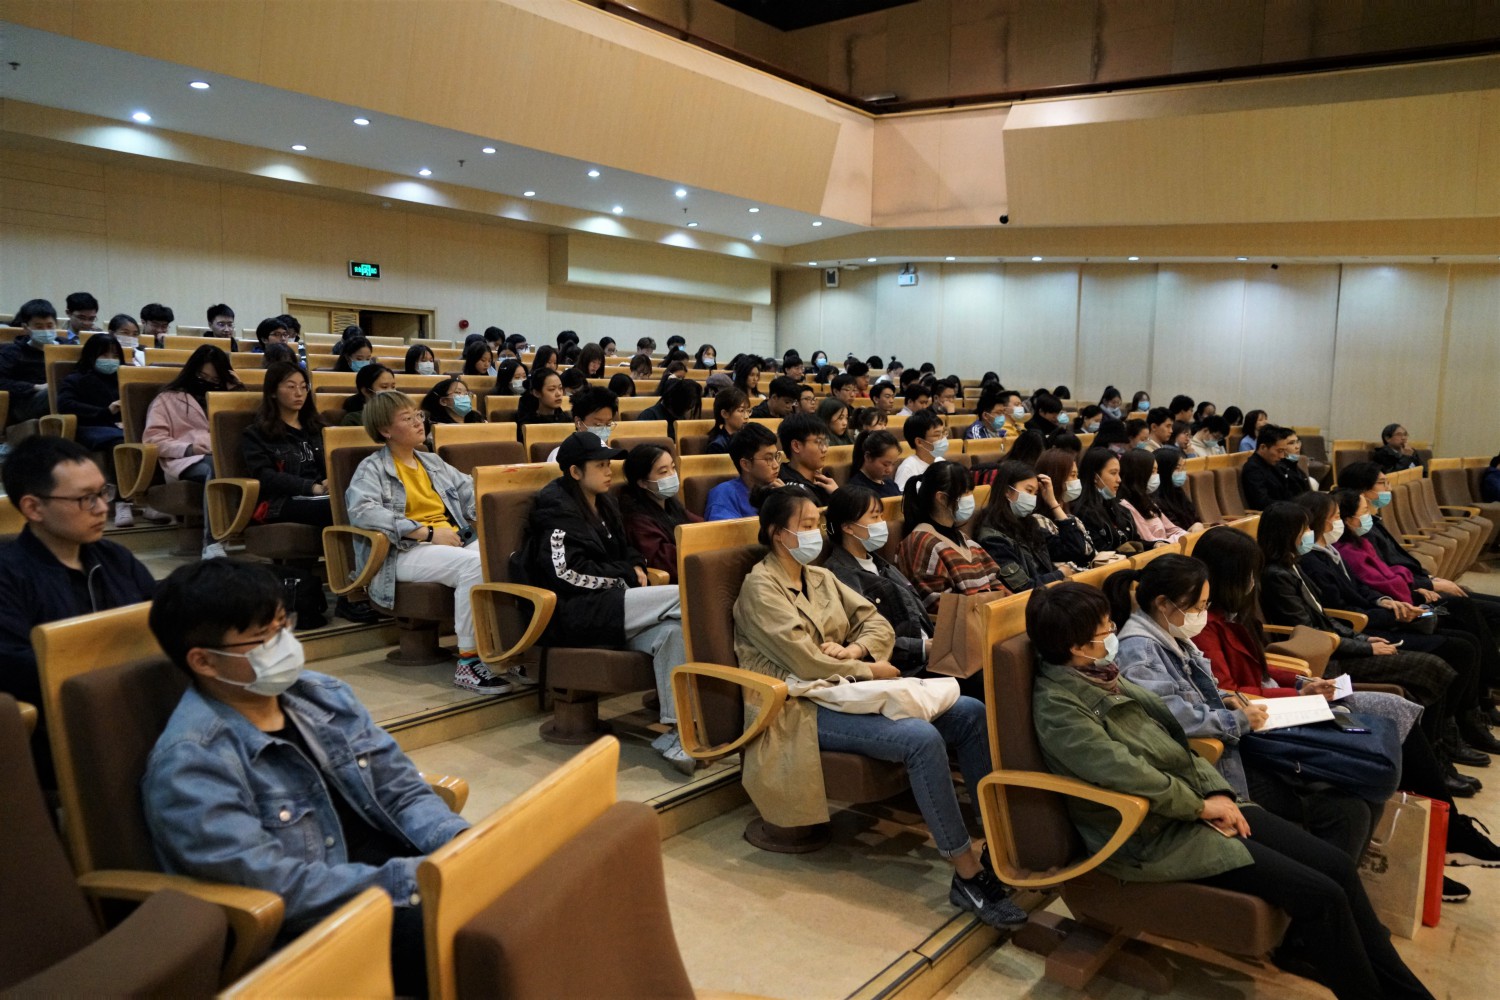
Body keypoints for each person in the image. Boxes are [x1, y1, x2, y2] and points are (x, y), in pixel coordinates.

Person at [1025, 583, 1433, 1000]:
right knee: (1321, 896)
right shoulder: (1061, 708)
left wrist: (1217, 793)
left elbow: (1175, 746)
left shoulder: (1102, 676)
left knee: (1338, 866)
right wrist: (1200, 807)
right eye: (1105, 629)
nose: (1114, 632)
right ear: (1078, 646)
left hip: (1189, 804)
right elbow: (1128, 775)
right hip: (1149, 831)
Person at [140, 559, 464, 997]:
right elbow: (279, 887)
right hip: (325, 918)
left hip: (393, 879)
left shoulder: (322, 696)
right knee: (485, 934)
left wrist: (461, 844)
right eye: (264, 638)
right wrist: (416, 878)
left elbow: (401, 791)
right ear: (204, 661)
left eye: (283, 625)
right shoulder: (192, 764)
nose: (284, 644)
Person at [733, 486, 1024, 929]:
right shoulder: (760, 588)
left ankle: (1001, 838)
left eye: (816, 524)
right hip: (796, 704)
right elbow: (805, 661)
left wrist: (854, 651)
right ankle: (966, 873)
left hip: (847, 688)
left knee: (969, 712)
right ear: (777, 533)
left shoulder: (820, 577)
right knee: (920, 738)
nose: (815, 534)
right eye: (806, 526)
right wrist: (871, 669)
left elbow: (876, 622)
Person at [1193, 524, 1499, 883]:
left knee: (1398, 715)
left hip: (1286, 698)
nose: (1252, 582)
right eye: (1247, 574)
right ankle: (1444, 834)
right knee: (1387, 724)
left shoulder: (1234, 612)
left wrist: (1304, 681)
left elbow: (1260, 665)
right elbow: (1229, 692)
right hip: (1266, 715)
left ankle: (1439, 831)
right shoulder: (1203, 624)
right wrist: (1300, 694)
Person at [1107, 556, 1379, 859]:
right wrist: (1235, 719)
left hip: (1232, 745)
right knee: (1347, 808)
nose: (1202, 614)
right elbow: (1170, 716)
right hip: (1210, 763)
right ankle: (1327, 873)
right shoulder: (1140, 651)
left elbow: (1196, 689)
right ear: (1162, 603)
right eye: (1197, 607)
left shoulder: (1172, 636)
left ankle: (1332, 871)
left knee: (1357, 784)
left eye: (1206, 605)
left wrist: (1225, 698)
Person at [525, 431, 694, 772]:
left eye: (609, 464)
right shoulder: (557, 511)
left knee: (673, 632)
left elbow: (627, 550)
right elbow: (565, 574)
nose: (609, 471)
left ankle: (679, 732)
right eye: (600, 465)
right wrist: (625, 575)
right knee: (686, 598)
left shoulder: (605, 502)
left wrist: (634, 564)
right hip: (573, 613)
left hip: (611, 607)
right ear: (575, 472)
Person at [0, 436, 158, 785]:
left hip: (135, 708)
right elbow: (15, 667)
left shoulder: (116, 558)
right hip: (58, 729)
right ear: (33, 508)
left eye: (103, 493)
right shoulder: (8, 575)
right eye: (86, 498)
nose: (102, 508)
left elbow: (161, 619)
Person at [1295, 492, 1498, 753]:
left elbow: (1371, 585)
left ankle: (1476, 707)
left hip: (1400, 606)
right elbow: (1347, 607)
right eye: (1337, 517)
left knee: (1463, 622)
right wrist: (1407, 597)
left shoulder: (1338, 549)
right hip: (1378, 623)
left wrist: (1388, 600)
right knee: (1458, 633)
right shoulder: (1327, 556)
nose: (1340, 521)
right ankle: (1461, 722)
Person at [1256, 502, 1461, 752]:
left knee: (1433, 666)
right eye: (1305, 529)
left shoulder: (1293, 564)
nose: (1310, 532)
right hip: (1327, 660)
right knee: (1432, 666)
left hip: (1340, 645)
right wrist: (1365, 648)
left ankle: (1440, 743)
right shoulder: (1276, 575)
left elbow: (1324, 617)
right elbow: (1310, 632)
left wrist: (1363, 640)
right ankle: (1439, 747)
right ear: (1287, 533)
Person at [346, 391, 510, 693]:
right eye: (407, 418)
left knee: (507, 558)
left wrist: (494, 502)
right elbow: (363, 512)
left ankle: (506, 651)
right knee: (475, 566)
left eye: (418, 415)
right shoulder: (372, 468)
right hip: (402, 551)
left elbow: (471, 491)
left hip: (449, 541)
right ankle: (468, 662)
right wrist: (428, 533)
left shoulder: (431, 461)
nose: (418, 422)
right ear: (385, 430)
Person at [822, 486, 933, 675]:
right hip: (905, 667)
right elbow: (868, 637)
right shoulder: (839, 575)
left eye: (881, 516)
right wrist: (923, 647)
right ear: (848, 527)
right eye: (874, 517)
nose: (882, 523)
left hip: (928, 655)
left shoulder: (880, 563)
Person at [896, 462, 1009, 613]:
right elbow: (939, 607)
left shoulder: (963, 538)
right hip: (961, 623)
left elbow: (994, 581)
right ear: (942, 498)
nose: (970, 498)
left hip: (986, 616)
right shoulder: (920, 543)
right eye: (965, 493)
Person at [241, 362, 335, 530]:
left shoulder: (318, 427)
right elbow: (265, 477)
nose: (299, 393)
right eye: (291, 387)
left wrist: (332, 480)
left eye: (304, 387)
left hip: (321, 494)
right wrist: (311, 487)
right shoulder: (257, 433)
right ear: (273, 392)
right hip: (282, 501)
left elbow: (334, 461)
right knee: (340, 508)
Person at [143, 344, 241, 498]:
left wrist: (237, 391)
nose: (207, 382)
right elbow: (153, 439)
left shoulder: (227, 400)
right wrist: (189, 449)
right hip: (185, 459)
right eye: (202, 377)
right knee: (218, 468)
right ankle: (217, 515)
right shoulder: (167, 399)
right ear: (192, 372)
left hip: (222, 454)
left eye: (215, 379)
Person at [973, 460, 1084, 591]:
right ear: (1007, 491)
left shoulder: (1029, 524)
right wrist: (1060, 574)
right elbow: (1023, 587)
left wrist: (1053, 502)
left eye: (1035, 493)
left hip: (1049, 594)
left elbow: (1075, 550)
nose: (1033, 498)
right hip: (1033, 599)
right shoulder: (992, 538)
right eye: (1029, 490)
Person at [619, 444, 701, 584]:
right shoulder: (636, 519)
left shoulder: (671, 504)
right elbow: (665, 561)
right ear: (643, 483)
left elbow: (701, 527)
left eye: (673, 468)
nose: (672, 475)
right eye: (663, 472)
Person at [57, 331, 126, 455]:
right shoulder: (76, 379)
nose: (110, 360)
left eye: (115, 356)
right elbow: (65, 405)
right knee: (121, 442)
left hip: (120, 427)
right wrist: (105, 411)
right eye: (104, 355)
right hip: (90, 426)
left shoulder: (124, 380)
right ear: (91, 356)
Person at [1071, 447, 1144, 552]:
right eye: (1113, 473)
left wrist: (1155, 544)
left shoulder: (1120, 509)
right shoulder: (1083, 512)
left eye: (1119, 473)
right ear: (1095, 477)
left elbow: (1136, 540)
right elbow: (1099, 552)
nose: (1119, 480)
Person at [1033, 447, 1097, 566]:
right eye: (1072, 475)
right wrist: (1053, 503)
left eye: (1077, 475)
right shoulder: (1037, 521)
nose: (1077, 480)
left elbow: (1090, 553)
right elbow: (1077, 551)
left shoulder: (1071, 517)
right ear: (1056, 478)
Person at [704, 423, 782, 521]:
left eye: (776, 457)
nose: (776, 465)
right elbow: (727, 529)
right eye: (768, 459)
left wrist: (787, 501)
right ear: (746, 464)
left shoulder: (778, 489)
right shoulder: (723, 495)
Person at [0, 298, 58, 423]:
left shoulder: (66, 347)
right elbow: (2, 381)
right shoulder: (12, 351)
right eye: (39, 327)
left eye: (49, 325)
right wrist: (35, 387)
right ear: (26, 327)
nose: (46, 331)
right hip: (25, 404)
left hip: (62, 396)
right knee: (57, 392)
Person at [1116, 449, 1189, 544]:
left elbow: (1173, 529)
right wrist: (1179, 539)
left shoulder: (1147, 499)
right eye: (1152, 471)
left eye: (1157, 471)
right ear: (1139, 474)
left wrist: (1187, 536)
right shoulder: (1125, 505)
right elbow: (1150, 541)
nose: (1157, 476)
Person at [777, 413, 837, 506]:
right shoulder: (790, 491)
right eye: (818, 442)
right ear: (796, 446)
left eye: (825, 442)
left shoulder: (823, 480)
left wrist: (837, 494)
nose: (825, 449)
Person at [545, 386, 617, 463]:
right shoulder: (560, 456)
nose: (604, 430)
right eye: (598, 424)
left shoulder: (615, 455)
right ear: (578, 422)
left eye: (608, 424)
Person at [1240, 423, 1303, 510]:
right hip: (1272, 513)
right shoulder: (1253, 468)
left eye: (1283, 451)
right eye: (1279, 451)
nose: (1282, 456)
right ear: (1263, 447)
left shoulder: (1274, 464)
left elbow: (1287, 492)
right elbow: (1262, 502)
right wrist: (1292, 506)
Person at [894, 409, 948, 491]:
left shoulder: (941, 461)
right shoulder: (907, 467)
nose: (943, 438)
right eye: (937, 435)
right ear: (919, 442)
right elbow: (901, 496)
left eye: (943, 433)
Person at [1153, 447, 1206, 530]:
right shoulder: (1156, 499)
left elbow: (1195, 517)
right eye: (1177, 468)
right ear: (1164, 470)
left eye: (1183, 467)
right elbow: (1172, 529)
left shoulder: (1177, 491)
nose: (1182, 472)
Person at [848, 428, 902, 498]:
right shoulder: (857, 489)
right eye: (885, 464)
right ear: (868, 457)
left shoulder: (891, 484)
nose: (890, 470)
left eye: (893, 464)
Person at [420, 377, 485, 430]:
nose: (465, 397)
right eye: (458, 392)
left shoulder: (477, 419)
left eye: (466, 393)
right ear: (443, 401)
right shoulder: (439, 430)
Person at [706, 387, 750, 454]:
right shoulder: (717, 446)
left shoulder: (748, 438)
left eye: (748, 411)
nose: (746, 416)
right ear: (725, 414)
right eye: (741, 411)